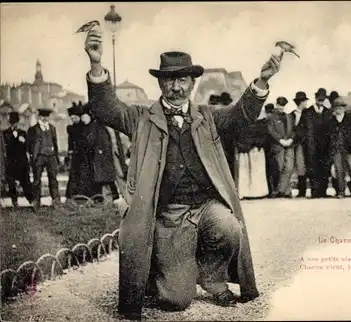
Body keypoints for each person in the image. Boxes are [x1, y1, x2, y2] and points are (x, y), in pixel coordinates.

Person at [84, 25, 280, 319]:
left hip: (205, 207)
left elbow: (241, 116)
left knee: (229, 226)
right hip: (169, 217)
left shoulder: (208, 117)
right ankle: (165, 271)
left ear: (193, 84)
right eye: (170, 81)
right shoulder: (141, 118)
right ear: (160, 84)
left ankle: (212, 276)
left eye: (183, 81)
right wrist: (96, 63)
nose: (176, 88)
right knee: (176, 299)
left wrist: (262, 82)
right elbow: (106, 107)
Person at [327, 97, 351, 198]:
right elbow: (329, 135)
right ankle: (341, 191)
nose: (339, 110)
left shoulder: (350, 120)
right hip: (336, 149)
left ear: (344, 109)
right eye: (337, 108)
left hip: (348, 149)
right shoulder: (331, 122)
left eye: (341, 108)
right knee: (339, 169)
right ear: (334, 109)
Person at [26, 107, 61, 210]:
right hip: (39, 157)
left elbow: (55, 143)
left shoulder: (52, 128)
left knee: (53, 179)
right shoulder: (33, 129)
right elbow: (28, 146)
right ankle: (36, 202)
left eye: (46, 116)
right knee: (36, 180)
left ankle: (56, 202)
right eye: (42, 116)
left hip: (51, 156)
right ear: (39, 117)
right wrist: (32, 157)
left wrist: (56, 156)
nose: (45, 118)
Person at [85, 103, 121, 201]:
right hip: (104, 157)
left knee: (119, 176)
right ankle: (109, 202)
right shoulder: (95, 125)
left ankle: (120, 201)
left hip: (114, 155)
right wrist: (98, 150)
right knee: (107, 180)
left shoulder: (112, 126)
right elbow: (90, 141)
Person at [302, 88, 332, 198]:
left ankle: (323, 192)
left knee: (324, 168)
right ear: (315, 98)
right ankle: (315, 192)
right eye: (319, 99)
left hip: (325, 146)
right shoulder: (307, 112)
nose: (320, 101)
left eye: (322, 99)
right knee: (313, 168)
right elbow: (303, 129)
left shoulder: (327, 112)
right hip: (311, 146)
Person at [3, 111, 34, 207]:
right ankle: (14, 201)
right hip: (10, 161)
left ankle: (31, 200)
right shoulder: (5, 134)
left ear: (18, 122)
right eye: (12, 122)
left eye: (15, 122)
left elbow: (28, 147)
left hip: (21, 162)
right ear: (10, 123)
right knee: (11, 183)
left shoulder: (23, 133)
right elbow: (5, 147)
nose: (14, 124)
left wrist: (24, 142)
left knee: (25, 182)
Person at [266, 96, 295, 198]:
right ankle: (283, 191)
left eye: (283, 105)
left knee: (289, 167)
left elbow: (293, 130)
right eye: (279, 105)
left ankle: (281, 190)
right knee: (280, 167)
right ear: (276, 104)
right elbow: (271, 131)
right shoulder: (271, 117)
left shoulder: (289, 116)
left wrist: (291, 139)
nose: (281, 107)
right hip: (278, 146)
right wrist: (280, 140)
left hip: (289, 144)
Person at [290, 91, 308, 197]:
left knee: (304, 166)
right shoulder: (292, 114)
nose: (306, 103)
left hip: (305, 143)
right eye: (304, 101)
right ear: (301, 102)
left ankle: (303, 191)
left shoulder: (308, 114)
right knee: (300, 166)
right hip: (297, 143)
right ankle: (302, 191)